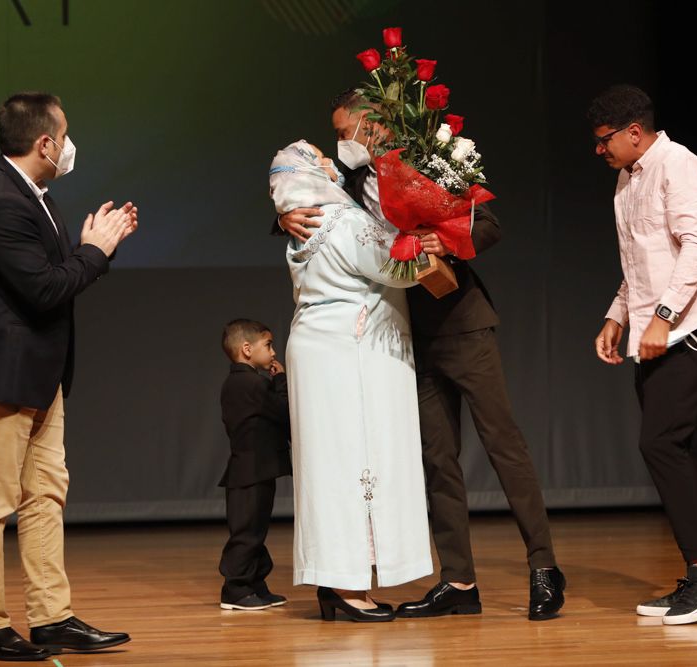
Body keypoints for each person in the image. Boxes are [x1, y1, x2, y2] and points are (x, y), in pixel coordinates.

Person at [276, 92, 566, 621]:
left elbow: (488, 224)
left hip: (461, 322)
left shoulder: (425, 164)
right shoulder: (347, 174)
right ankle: (459, 580)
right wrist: (284, 215)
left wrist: (440, 240)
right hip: (401, 338)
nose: (340, 143)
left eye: (345, 130)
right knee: (437, 459)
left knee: (503, 445)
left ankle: (544, 568)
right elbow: (310, 200)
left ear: (372, 125)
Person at [0, 92, 137, 661]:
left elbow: (55, 274)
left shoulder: (33, 195)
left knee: (45, 495)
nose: (71, 146)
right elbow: (45, 288)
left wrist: (95, 250)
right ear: (45, 143)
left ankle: (52, 617)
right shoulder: (1, 201)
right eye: (66, 135)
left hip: (39, 374)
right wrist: (95, 252)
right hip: (2, 373)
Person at [589, 84, 697, 625]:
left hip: (688, 331)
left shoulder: (680, 166)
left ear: (634, 132)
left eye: (605, 140)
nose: (598, 150)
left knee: (661, 444)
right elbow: (640, 265)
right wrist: (617, 315)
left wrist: (664, 319)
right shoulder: (626, 187)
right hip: (652, 332)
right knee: (681, 451)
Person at [270, 140, 433, 622]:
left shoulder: (301, 227)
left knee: (328, 465)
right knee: (355, 461)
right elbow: (398, 268)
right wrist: (429, 238)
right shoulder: (343, 221)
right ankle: (346, 585)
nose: (331, 162)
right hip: (350, 351)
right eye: (320, 157)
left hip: (318, 348)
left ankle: (337, 580)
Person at [217, 319, 292, 611]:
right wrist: (281, 381)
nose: (273, 353)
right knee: (247, 533)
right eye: (268, 345)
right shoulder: (252, 383)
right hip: (250, 471)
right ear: (247, 349)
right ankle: (234, 590)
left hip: (254, 470)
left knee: (254, 531)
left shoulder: (239, 382)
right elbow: (285, 413)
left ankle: (254, 584)